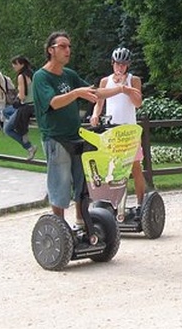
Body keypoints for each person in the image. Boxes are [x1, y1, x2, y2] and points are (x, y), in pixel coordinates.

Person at [32, 32, 106, 227]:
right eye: (63, 46)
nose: (68, 50)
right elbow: (53, 103)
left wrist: (121, 89)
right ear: (51, 50)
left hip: (75, 136)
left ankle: (82, 222)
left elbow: (94, 92)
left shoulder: (69, 75)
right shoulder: (41, 77)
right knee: (60, 184)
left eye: (69, 46)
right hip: (55, 138)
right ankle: (59, 227)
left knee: (82, 182)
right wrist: (76, 93)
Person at [90, 47, 146, 206]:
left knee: (135, 167)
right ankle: (113, 203)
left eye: (123, 64)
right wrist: (95, 115)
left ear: (127, 65)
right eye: (117, 64)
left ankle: (141, 203)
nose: (120, 67)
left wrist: (126, 89)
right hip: (112, 131)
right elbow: (99, 103)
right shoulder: (105, 81)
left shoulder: (133, 80)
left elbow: (138, 103)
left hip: (129, 130)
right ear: (112, 64)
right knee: (112, 168)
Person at [2, 55, 38, 161]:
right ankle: (21, 127)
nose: (13, 66)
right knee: (5, 111)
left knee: (7, 129)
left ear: (21, 64)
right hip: (34, 105)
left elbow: (22, 96)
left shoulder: (21, 76)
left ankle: (28, 146)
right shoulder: (33, 74)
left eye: (15, 63)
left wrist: (17, 97)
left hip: (26, 107)